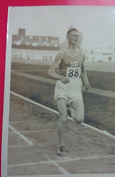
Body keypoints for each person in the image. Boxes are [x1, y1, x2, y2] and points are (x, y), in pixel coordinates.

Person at [48, 27, 90, 156]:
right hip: (62, 87)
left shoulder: (82, 53)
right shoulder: (61, 53)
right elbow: (50, 71)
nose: (76, 38)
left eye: (77, 36)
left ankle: (71, 107)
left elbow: (82, 70)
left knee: (79, 119)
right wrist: (61, 77)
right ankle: (60, 145)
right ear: (68, 37)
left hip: (75, 88)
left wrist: (86, 82)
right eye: (73, 36)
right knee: (64, 118)